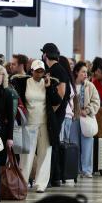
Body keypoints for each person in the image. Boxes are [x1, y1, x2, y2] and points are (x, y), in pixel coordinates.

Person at [10, 60, 61, 193]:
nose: (39, 73)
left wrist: (49, 87)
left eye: (41, 71)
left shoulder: (49, 83)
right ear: (31, 71)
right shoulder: (23, 82)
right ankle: (23, 181)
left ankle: (41, 184)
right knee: (26, 155)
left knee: (45, 154)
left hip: (45, 124)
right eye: (37, 71)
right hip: (28, 124)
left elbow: (57, 101)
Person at [41, 43, 70, 187]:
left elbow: (61, 93)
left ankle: (54, 176)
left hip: (56, 113)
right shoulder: (56, 69)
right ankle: (55, 176)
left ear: (45, 55)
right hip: (57, 112)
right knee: (54, 143)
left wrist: (51, 111)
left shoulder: (57, 70)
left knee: (52, 144)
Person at [68, 61, 101, 178]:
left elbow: (96, 101)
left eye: (86, 72)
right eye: (83, 72)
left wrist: (87, 110)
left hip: (85, 118)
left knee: (87, 143)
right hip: (73, 118)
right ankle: (75, 169)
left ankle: (87, 170)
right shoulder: (69, 85)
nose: (85, 74)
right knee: (74, 144)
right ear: (76, 72)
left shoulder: (90, 86)